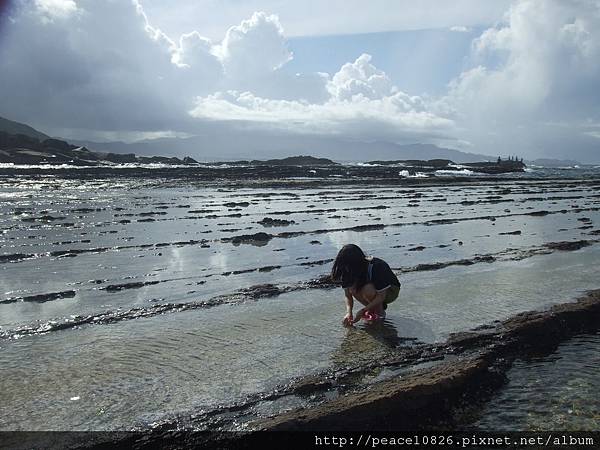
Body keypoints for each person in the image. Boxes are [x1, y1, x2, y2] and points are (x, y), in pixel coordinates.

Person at [331, 244, 401, 326]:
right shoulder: (347, 270)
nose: (347, 268)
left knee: (367, 289)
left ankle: (379, 314)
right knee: (353, 288)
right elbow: (348, 295)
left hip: (391, 290)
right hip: (374, 290)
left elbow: (381, 296)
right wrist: (349, 313)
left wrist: (362, 311)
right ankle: (372, 309)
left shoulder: (376, 266)